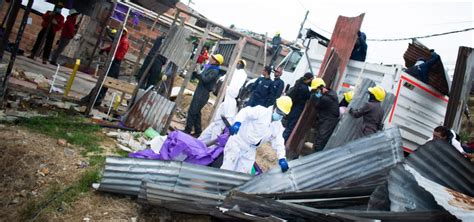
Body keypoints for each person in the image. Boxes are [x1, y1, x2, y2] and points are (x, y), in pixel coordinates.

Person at [221, 96, 292, 174]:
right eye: (279, 111)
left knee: (241, 176)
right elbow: (245, 112)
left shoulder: (277, 126)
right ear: (275, 106)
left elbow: (279, 142)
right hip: (238, 143)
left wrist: (282, 158)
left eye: (282, 114)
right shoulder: (261, 111)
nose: (280, 115)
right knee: (226, 171)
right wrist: (237, 122)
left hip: (250, 150)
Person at [198, 59, 248, 144]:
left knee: (213, 139)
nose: (238, 64)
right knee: (204, 137)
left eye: (240, 63)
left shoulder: (230, 101)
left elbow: (229, 120)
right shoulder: (226, 100)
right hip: (215, 124)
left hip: (218, 127)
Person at [80, 27, 129, 106]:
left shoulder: (124, 42)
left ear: (123, 33)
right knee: (103, 82)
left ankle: (94, 99)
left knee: (104, 82)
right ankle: (94, 98)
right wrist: (105, 49)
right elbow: (113, 46)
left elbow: (119, 55)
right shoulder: (119, 40)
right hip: (112, 62)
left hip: (115, 64)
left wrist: (112, 55)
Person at [184, 54, 224, 137]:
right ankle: (198, 131)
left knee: (192, 111)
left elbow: (205, 80)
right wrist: (195, 72)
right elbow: (201, 78)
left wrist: (199, 73)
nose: (210, 58)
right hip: (200, 91)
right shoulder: (210, 68)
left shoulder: (214, 71)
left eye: (212, 58)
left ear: (216, 62)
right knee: (197, 112)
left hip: (202, 93)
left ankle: (187, 130)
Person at [311, 78, 340, 152]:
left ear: (320, 88)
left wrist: (316, 98)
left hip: (328, 122)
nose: (315, 92)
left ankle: (314, 159)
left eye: (315, 90)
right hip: (326, 120)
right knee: (319, 139)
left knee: (320, 141)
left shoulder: (326, 98)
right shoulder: (331, 92)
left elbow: (317, 105)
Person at [282, 72, 313, 142]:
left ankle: (281, 141)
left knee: (287, 127)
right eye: (311, 80)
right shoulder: (304, 89)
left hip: (292, 108)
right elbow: (309, 96)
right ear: (309, 79)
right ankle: (282, 142)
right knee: (290, 128)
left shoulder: (298, 83)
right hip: (297, 110)